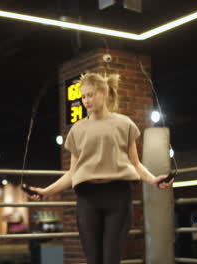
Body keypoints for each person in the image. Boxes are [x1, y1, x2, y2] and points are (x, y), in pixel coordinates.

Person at [28, 72, 173, 264]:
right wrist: (45, 191)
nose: (86, 100)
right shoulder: (77, 130)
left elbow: (135, 164)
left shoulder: (124, 124)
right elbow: (72, 173)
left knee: (112, 259)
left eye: (91, 94)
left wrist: (153, 180)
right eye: (84, 96)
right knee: (93, 260)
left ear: (104, 92)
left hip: (118, 196)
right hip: (88, 199)